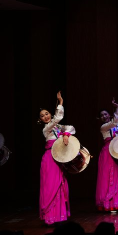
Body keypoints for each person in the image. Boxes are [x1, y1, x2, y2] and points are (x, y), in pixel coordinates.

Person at [39, 91, 73, 225]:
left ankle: (60, 215)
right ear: (40, 120)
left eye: (46, 113)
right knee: (51, 185)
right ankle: (50, 216)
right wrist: (61, 103)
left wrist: (66, 134)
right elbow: (57, 118)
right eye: (42, 116)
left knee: (60, 184)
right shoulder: (46, 129)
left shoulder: (57, 127)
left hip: (59, 158)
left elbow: (70, 128)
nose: (45, 116)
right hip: (49, 159)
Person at [95, 98, 118, 213]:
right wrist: (117, 109)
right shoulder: (104, 127)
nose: (104, 116)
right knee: (106, 177)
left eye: (105, 114)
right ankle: (106, 204)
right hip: (107, 152)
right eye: (101, 115)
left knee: (115, 175)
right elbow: (114, 122)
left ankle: (114, 204)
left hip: (115, 151)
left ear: (109, 115)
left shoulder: (115, 126)